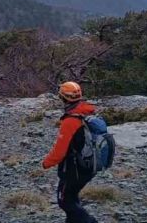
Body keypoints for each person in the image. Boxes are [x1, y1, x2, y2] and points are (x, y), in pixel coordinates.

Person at [41, 81, 98, 223]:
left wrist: (46, 163)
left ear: (63, 98)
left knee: (65, 201)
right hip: (90, 164)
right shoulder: (88, 112)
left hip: (75, 168)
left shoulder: (71, 121)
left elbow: (60, 151)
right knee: (71, 197)